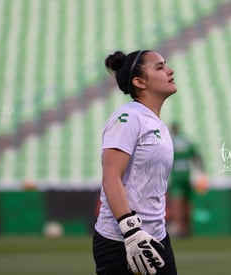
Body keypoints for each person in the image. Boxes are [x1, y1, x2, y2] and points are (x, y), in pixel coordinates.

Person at [92, 50, 178, 275]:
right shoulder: (128, 117)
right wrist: (131, 232)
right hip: (122, 241)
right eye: (159, 67)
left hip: (156, 238)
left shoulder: (156, 124)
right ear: (139, 82)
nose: (170, 70)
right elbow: (111, 177)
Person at [167, 122, 206, 238]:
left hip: (176, 176)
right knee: (187, 203)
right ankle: (188, 228)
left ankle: (180, 229)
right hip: (187, 175)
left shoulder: (169, 141)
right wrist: (202, 172)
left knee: (177, 204)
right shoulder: (187, 141)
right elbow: (197, 157)